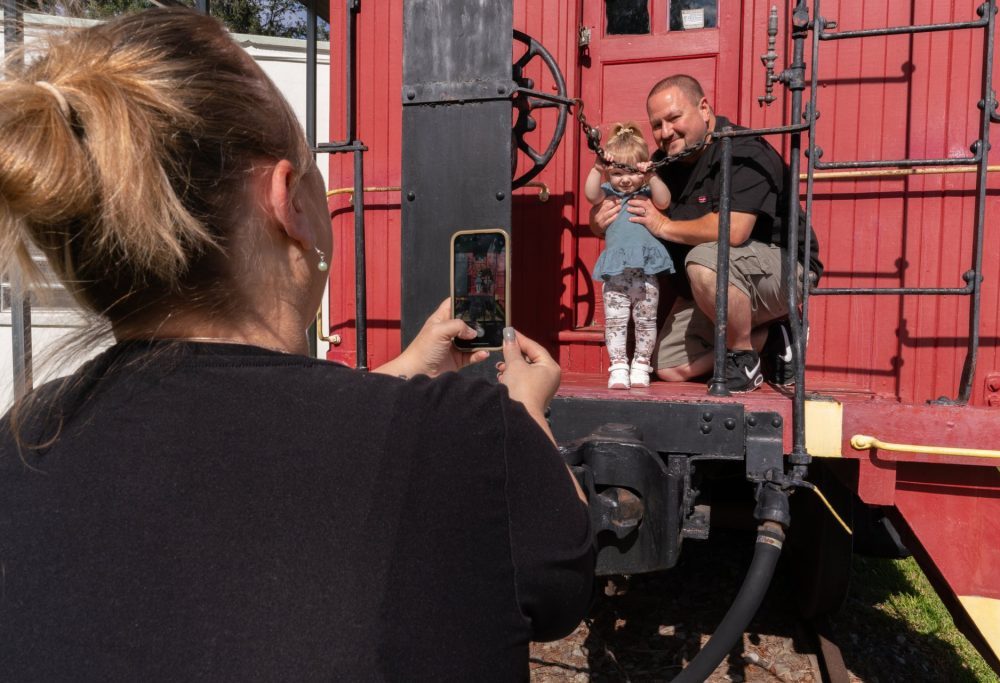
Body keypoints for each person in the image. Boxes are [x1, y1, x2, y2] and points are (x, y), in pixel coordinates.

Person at [0, 9, 593, 680]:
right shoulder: (473, 438)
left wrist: (405, 369)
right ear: (291, 203)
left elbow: (253, 436)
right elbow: (562, 575)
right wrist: (527, 413)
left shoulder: (24, 440)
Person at [590, 74, 823, 392]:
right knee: (669, 366)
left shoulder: (744, 151)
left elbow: (735, 231)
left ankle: (742, 359)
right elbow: (621, 202)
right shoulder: (662, 164)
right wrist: (599, 220)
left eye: (674, 118)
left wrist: (662, 226)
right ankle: (773, 338)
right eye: (657, 125)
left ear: (703, 108)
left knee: (703, 259)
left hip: (782, 272)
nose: (665, 132)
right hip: (711, 283)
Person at [584, 122, 673, 390]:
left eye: (632, 172)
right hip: (616, 274)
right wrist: (597, 168)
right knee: (615, 322)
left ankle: (641, 365)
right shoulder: (609, 194)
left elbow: (665, 201)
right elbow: (590, 194)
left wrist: (652, 176)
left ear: (642, 171)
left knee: (646, 322)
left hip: (645, 274)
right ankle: (619, 365)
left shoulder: (647, 193)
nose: (625, 179)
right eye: (617, 173)